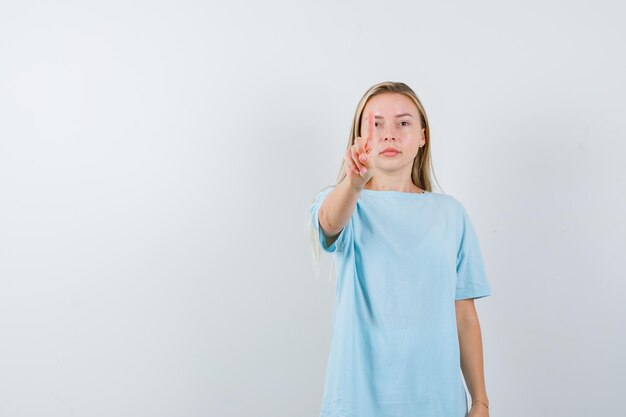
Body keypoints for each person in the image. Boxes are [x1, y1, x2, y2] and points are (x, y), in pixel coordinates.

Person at [306, 81, 492, 417]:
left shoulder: (451, 214)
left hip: (438, 403)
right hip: (355, 402)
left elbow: (464, 316)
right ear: (358, 139)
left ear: (423, 136)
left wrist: (480, 400)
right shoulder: (346, 203)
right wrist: (353, 183)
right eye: (376, 124)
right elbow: (329, 224)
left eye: (403, 123)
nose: (389, 134)